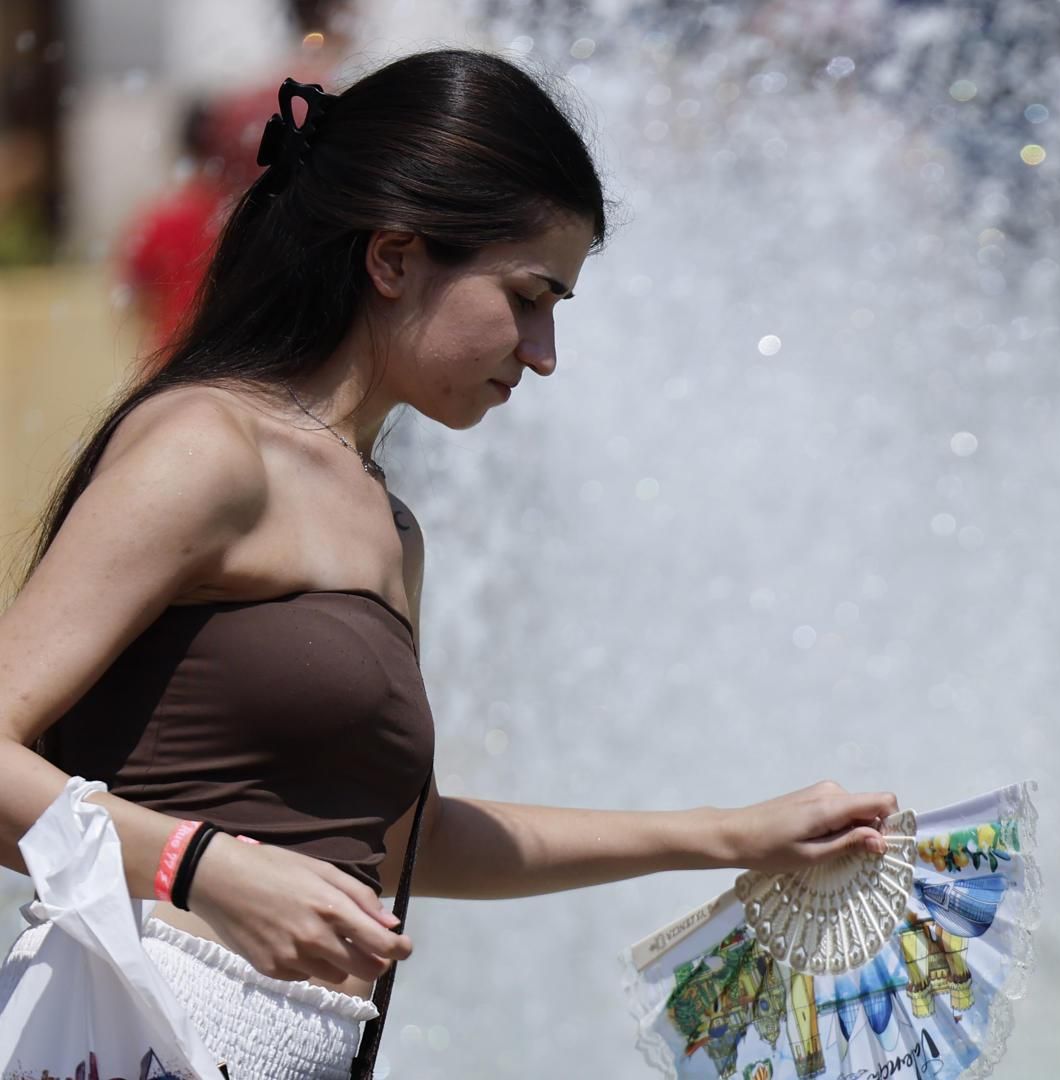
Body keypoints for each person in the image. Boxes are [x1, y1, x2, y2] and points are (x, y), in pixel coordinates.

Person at [0, 49, 896, 1077]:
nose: (545, 349)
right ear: (391, 259)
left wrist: (738, 834)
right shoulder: (212, 448)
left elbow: (403, 839)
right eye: (527, 296)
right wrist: (199, 868)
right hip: (130, 1040)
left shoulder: (388, 526)